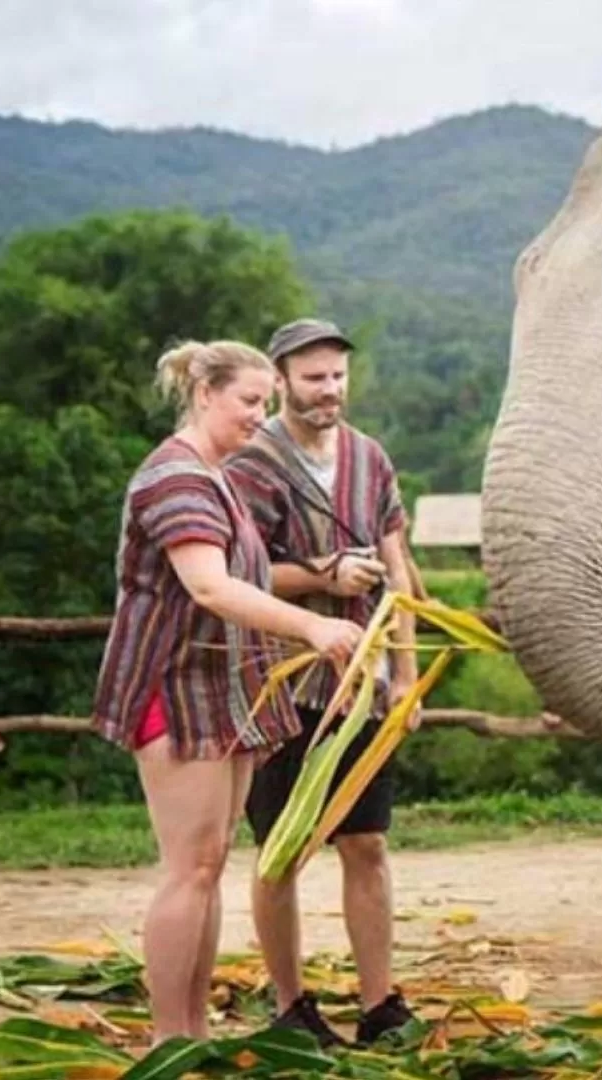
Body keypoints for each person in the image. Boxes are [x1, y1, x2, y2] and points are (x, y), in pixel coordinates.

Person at [91, 340, 363, 1045]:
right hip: (174, 688)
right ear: (205, 393)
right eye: (249, 402)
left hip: (224, 688)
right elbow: (209, 587)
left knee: (209, 865)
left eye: (266, 404)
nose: (259, 417)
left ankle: (191, 1033)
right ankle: (166, 1039)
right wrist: (312, 627)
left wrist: (322, 583)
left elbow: (251, 574)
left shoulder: (216, 478)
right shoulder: (174, 479)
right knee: (189, 869)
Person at [224, 317, 423, 1048]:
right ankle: (291, 1008)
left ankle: (381, 1006)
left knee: (367, 842)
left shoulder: (371, 459)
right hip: (282, 685)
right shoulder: (250, 464)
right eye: (314, 378)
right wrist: (322, 576)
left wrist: (404, 677)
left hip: (362, 683)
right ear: (280, 379)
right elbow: (238, 574)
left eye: (338, 376)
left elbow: (398, 569)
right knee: (281, 847)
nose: (329, 390)